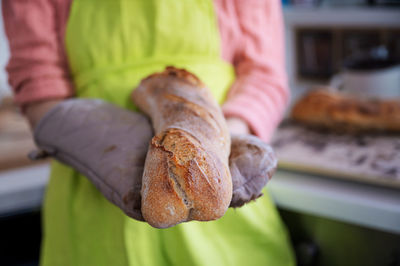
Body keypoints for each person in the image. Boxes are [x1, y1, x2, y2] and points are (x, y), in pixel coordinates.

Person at [3, 0, 295, 265]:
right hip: (92, 192)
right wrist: (82, 133)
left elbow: (264, 74)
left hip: (225, 194)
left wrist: (229, 136)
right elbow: (37, 79)